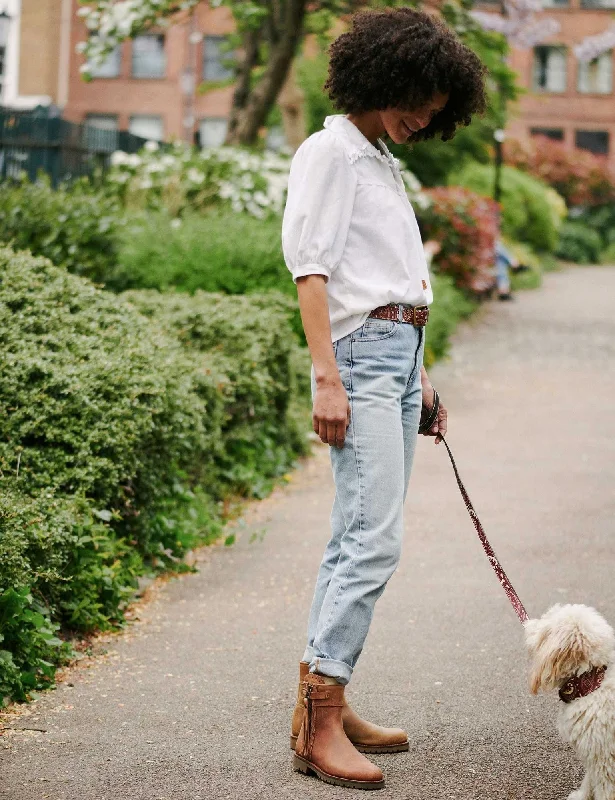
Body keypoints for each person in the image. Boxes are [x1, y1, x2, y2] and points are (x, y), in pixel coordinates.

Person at [281, 8, 487, 790]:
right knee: (373, 541)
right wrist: (326, 378)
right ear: (383, 76)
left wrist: (421, 375)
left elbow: (396, 283)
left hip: (397, 361)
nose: (425, 115)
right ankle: (321, 716)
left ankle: (320, 702)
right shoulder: (329, 152)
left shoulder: (377, 157)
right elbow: (312, 271)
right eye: (419, 96)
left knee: (350, 536)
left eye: (438, 106)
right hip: (360, 364)